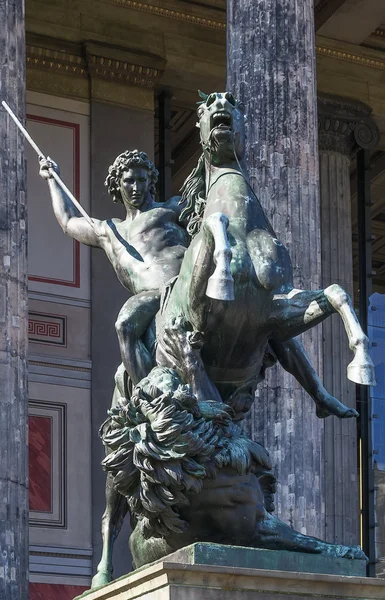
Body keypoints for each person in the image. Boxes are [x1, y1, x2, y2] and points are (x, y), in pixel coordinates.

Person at [39, 149, 189, 386]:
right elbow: (68, 222)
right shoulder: (110, 231)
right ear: (118, 185)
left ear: (150, 180)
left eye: (141, 179)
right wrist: (52, 180)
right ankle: (148, 394)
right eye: (129, 181)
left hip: (181, 285)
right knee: (125, 325)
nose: (136, 187)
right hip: (151, 296)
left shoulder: (170, 208)